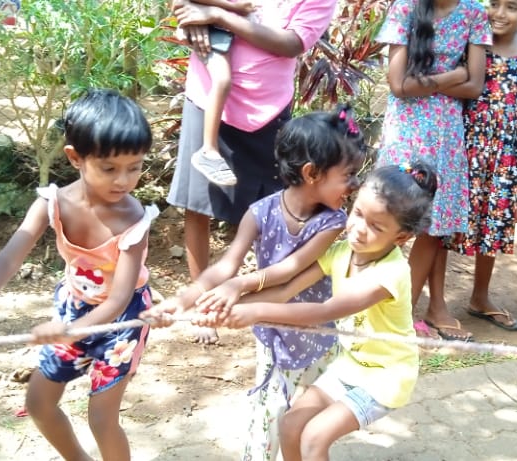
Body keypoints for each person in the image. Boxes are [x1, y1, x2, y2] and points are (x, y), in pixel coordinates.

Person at [0, 90, 157, 461]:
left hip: (122, 322)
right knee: (39, 403)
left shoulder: (133, 219)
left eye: (135, 167)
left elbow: (117, 300)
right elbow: (9, 256)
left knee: (101, 418)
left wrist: (73, 329)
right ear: (75, 157)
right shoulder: (52, 202)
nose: (124, 181)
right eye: (109, 168)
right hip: (74, 307)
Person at [159, 105, 365, 461]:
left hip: (316, 335)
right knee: (266, 417)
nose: (355, 184)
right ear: (312, 173)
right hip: (271, 335)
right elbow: (225, 265)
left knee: (301, 423)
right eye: (348, 175)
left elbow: (291, 270)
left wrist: (238, 288)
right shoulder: (260, 212)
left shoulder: (333, 222)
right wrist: (187, 298)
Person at [203, 162, 435, 461]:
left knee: (314, 437)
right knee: (291, 425)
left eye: (376, 227)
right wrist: (225, 309)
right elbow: (286, 290)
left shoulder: (391, 274)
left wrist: (255, 312)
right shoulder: (341, 253)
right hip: (350, 366)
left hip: (386, 378)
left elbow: (324, 310)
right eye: (358, 214)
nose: (359, 230)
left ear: (401, 238)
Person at [166, 0, 337, 345]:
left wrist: (218, 15)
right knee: (198, 204)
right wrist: (191, 14)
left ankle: (269, 303)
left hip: (268, 103)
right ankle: (204, 308)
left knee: (278, 207)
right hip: (208, 95)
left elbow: (292, 42)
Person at [432, 0, 517, 335]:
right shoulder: (473, 40)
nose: (500, 13)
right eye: (494, 4)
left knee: (494, 221)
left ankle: (480, 297)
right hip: (466, 142)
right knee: (448, 223)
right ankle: (437, 304)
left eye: (512, 7)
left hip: (504, 149)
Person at [375, 0, 491, 341]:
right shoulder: (405, 8)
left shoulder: (474, 13)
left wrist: (425, 82)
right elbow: (397, 85)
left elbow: (474, 87)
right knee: (390, 217)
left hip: (445, 134)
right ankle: (373, 307)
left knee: (433, 227)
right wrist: (452, 76)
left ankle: (401, 315)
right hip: (406, 131)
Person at [174, 0, 257, 186]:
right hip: (210, 30)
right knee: (222, 80)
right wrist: (235, 8)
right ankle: (208, 150)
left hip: (217, 29)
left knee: (223, 80)